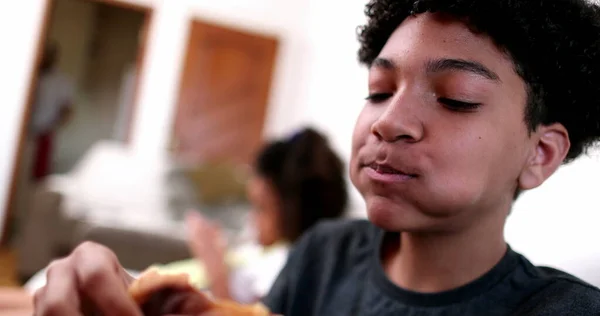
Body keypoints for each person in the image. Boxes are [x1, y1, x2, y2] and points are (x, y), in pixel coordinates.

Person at [30, 0, 600, 314]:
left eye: (454, 99)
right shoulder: (323, 256)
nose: (388, 121)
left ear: (541, 153)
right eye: (379, 91)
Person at [3, 127, 347, 314]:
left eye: (261, 209)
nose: (254, 221)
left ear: (291, 210)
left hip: (150, 301)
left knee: (31, 300)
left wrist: (216, 266)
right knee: (28, 292)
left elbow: (243, 312)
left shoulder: (289, 263)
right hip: (147, 282)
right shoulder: (261, 250)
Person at [29, 41, 75, 181]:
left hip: (44, 134)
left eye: (48, 55)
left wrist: (52, 126)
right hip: (21, 133)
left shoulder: (61, 81)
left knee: (38, 178)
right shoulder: (28, 74)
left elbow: (67, 110)